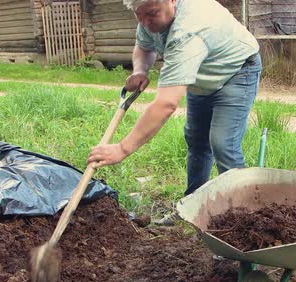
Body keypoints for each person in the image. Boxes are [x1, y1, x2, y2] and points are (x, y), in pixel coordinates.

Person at [87, 0, 262, 199]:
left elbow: (166, 104)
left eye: (151, 14)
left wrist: (122, 148)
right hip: (200, 75)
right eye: (139, 15)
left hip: (236, 71)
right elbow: (144, 47)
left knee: (223, 144)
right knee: (196, 140)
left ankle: (242, 211)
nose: (145, 22)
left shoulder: (187, 30)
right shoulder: (150, 16)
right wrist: (140, 70)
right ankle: (192, 203)